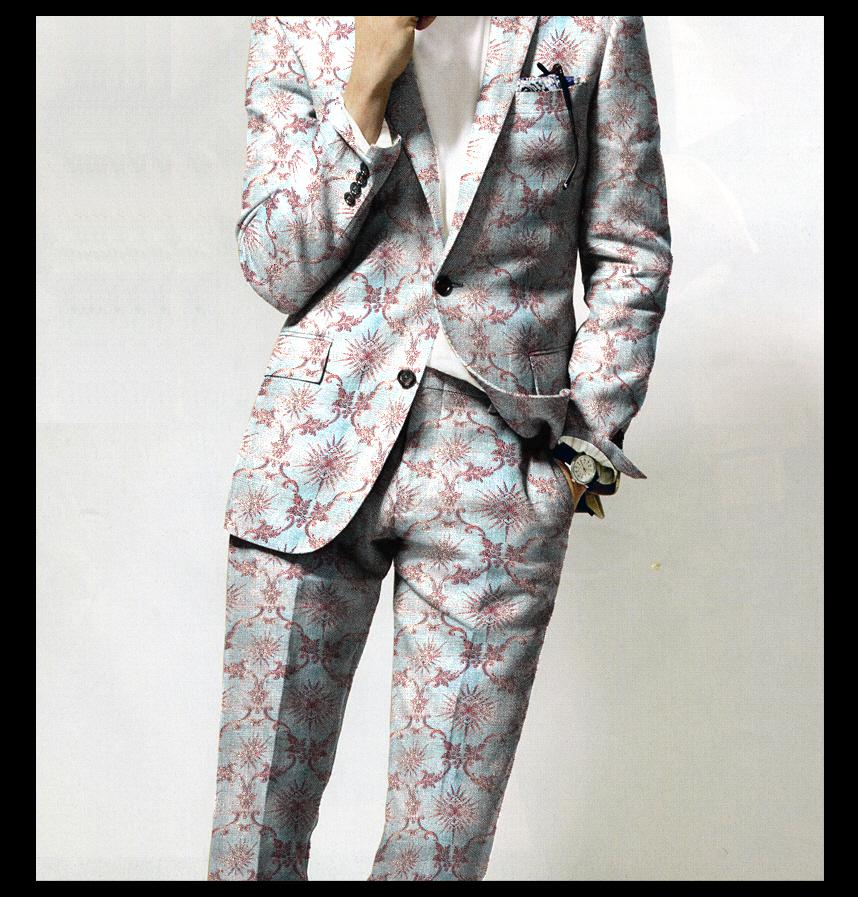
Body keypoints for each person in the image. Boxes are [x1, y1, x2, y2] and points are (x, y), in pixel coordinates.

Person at [209, 15, 672, 881]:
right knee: (253, 844)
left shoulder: (594, 24)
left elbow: (631, 249)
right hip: (310, 458)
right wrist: (364, 91)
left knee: (438, 858)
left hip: (501, 475)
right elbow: (274, 267)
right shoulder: (298, 24)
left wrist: (580, 459)